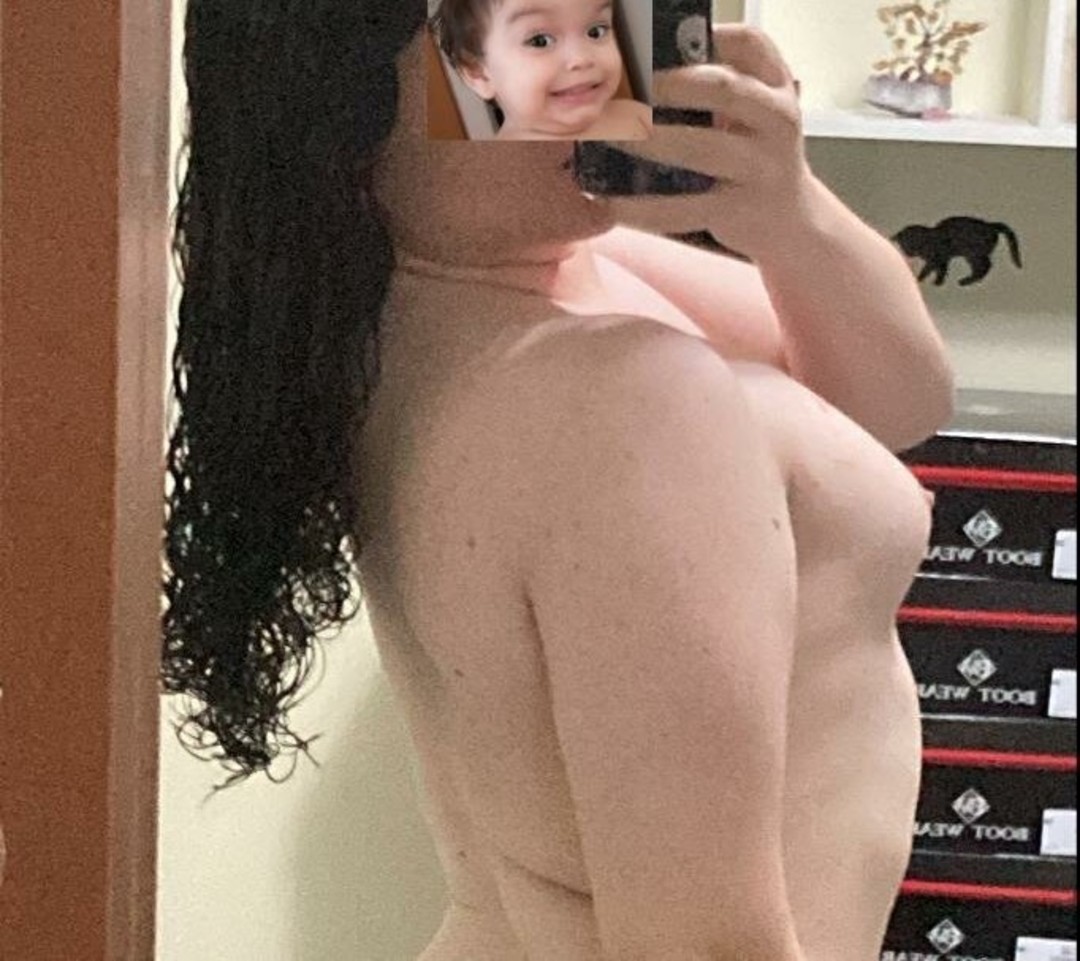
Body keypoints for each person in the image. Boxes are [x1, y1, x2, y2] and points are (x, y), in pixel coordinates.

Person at [164, 1, 955, 958]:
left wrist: (787, 209)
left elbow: (896, 401)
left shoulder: (484, 287)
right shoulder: (626, 398)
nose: (589, 72)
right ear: (339, 100)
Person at [431, 0, 652, 140]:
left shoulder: (638, 117)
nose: (582, 59)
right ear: (479, 73)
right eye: (540, 41)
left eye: (596, 31)